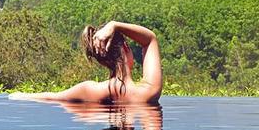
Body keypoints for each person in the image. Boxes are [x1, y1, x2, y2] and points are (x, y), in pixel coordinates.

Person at [9, 21, 162, 103]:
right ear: (126, 47)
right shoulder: (149, 91)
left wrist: (20, 95)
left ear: (102, 61)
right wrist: (115, 24)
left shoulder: (89, 90)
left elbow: (51, 97)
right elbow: (150, 40)